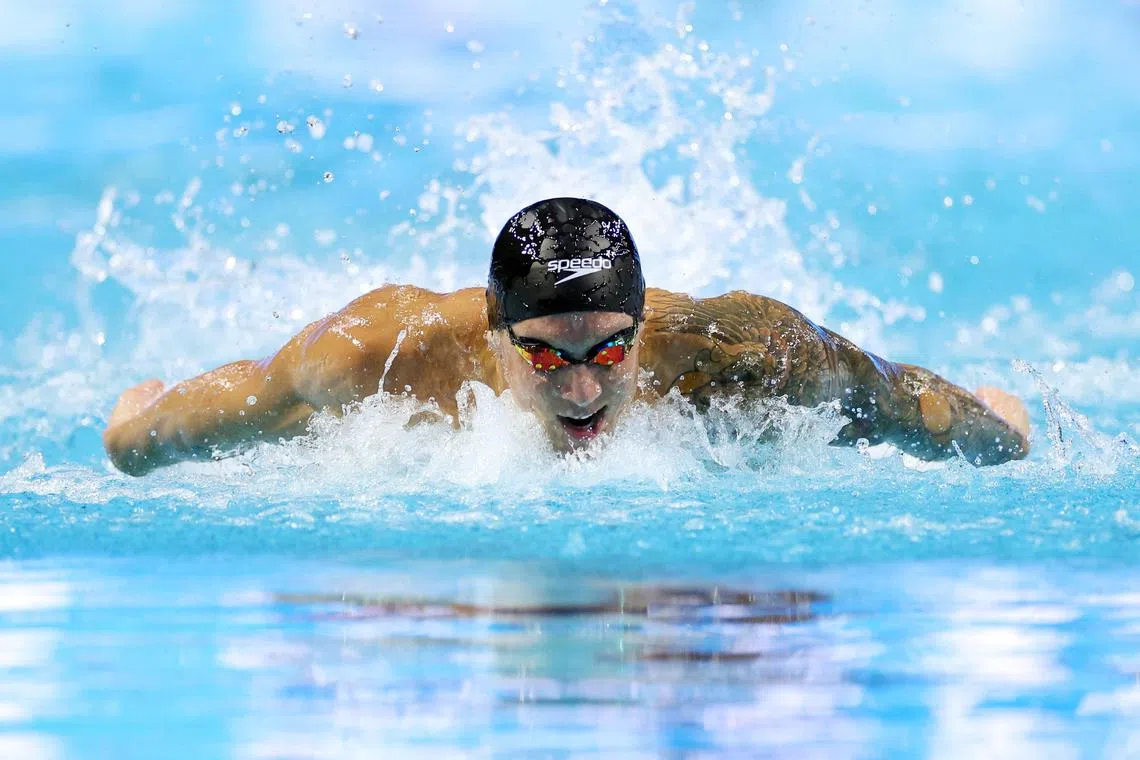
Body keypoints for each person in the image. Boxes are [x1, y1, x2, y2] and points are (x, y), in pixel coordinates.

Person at [103, 197, 1030, 476]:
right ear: (496, 331)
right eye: (545, 354)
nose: (582, 390)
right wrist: (135, 430)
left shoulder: (737, 354)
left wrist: (998, 432)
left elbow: (890, 395)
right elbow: (209, 411)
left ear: (642, 328)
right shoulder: (375, 358)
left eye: (609, 352)